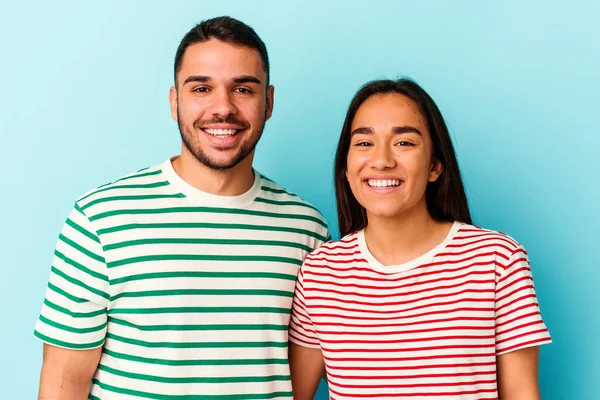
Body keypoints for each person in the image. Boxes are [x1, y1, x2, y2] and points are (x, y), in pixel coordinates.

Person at [34, 16, 329, 399]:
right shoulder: (100, 218)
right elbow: (65, 382)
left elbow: (301, 378)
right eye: (202, 88)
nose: (222, 108)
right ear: (175, 101)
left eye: (242, 88)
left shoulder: (306, 229)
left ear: (268, 102)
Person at [288, 78, 551, 399]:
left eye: (404, 143)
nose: (382, 160)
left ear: (435, 165)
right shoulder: (319, 273)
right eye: (364, 143)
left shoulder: (497, 260)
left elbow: (522, 392)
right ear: (346, 166)